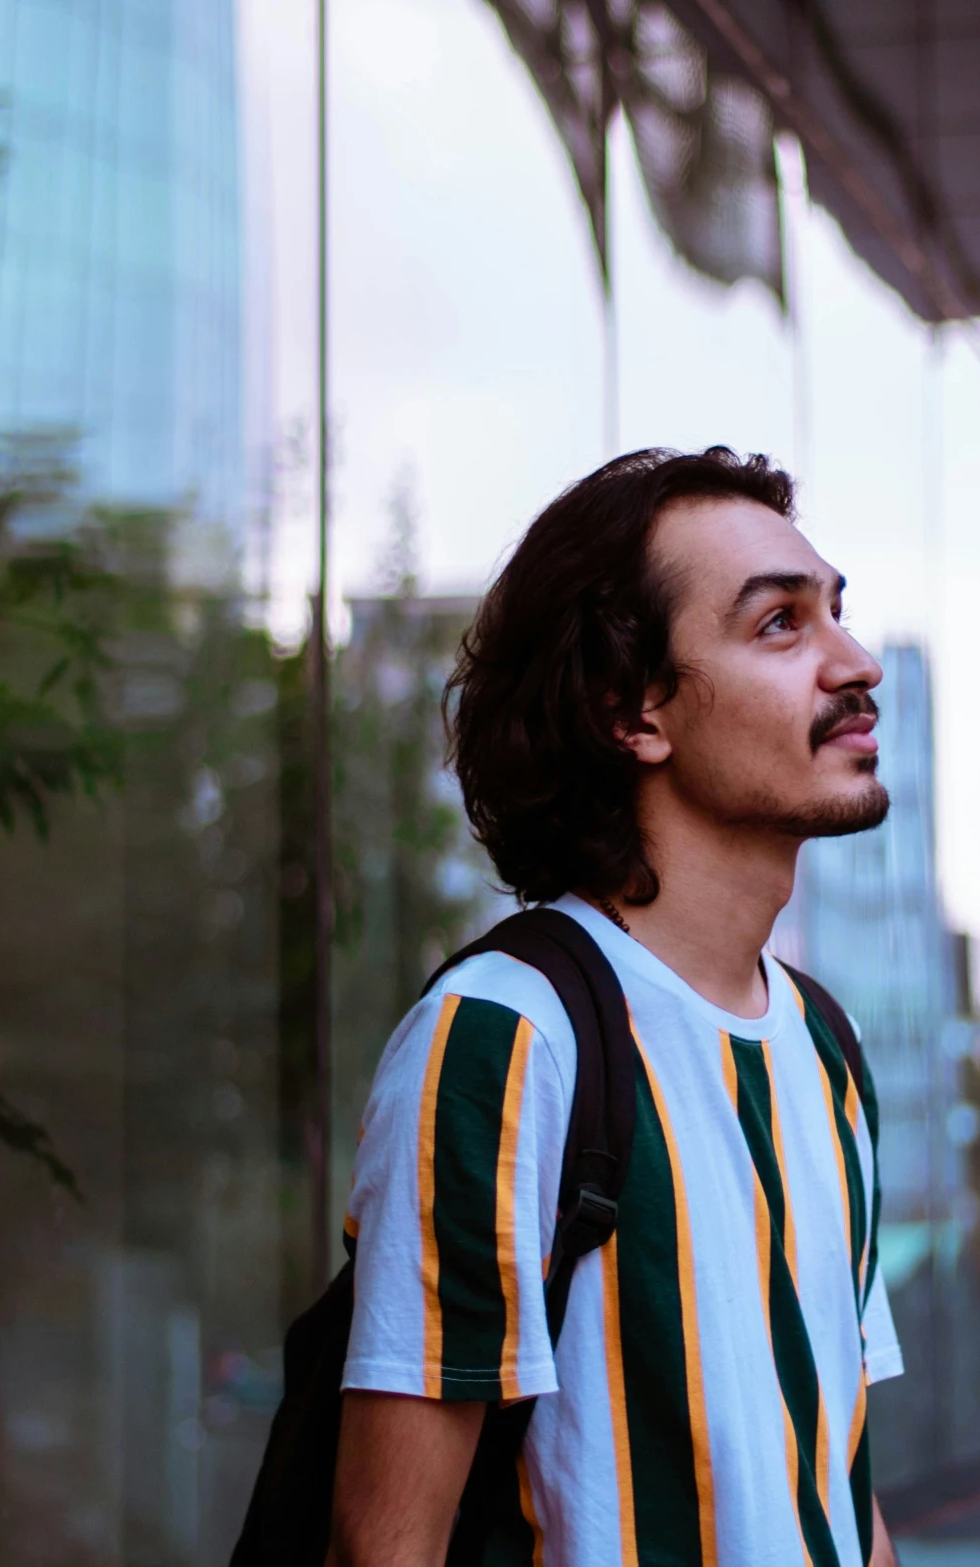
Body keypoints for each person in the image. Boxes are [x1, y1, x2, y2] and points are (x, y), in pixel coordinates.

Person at [330, 448, 903, 1566]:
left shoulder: (824, 1050)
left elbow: (835, 1489)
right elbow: (380, 1547)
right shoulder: (504, 1038)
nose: (856, 660)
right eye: (779, 626)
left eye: (836, 612)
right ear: (632, 711)